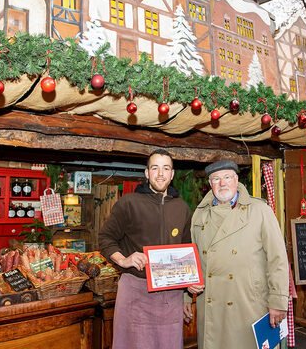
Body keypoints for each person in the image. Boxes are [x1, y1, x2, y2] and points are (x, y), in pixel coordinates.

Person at [188, 159, 289, 349]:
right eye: (216, 179)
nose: (222, 183)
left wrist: (278, 300)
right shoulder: (200, 215)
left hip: (248, 303)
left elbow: (278, 259)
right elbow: (192, 259)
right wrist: (187, 295)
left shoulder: (260, 211)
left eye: (227, 177)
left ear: (236, 180)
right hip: (211, 304)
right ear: (210, 184)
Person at [99, 149, 193, 349]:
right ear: (146, 173)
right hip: (136, 292)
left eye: (166, 168)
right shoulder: (128, 203)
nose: (160, 173)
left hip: (171, 295)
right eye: (155, 168)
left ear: (172, 174)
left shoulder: (182, 207)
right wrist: (124, 260)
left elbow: (187, 250)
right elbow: (106, 238)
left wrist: (188, 290)